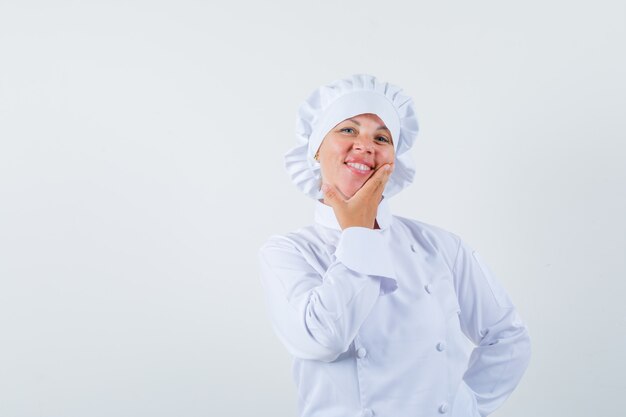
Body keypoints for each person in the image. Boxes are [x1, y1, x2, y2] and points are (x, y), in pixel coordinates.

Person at [258, 74, 531, 417]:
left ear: (394, 160)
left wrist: (467, 408)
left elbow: (508, 337)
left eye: (382, 137)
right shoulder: (288, 252)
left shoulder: (441, 246)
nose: (365, 145)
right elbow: (322, 339)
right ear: (315, 148)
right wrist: (358, 232)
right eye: (348, 130)